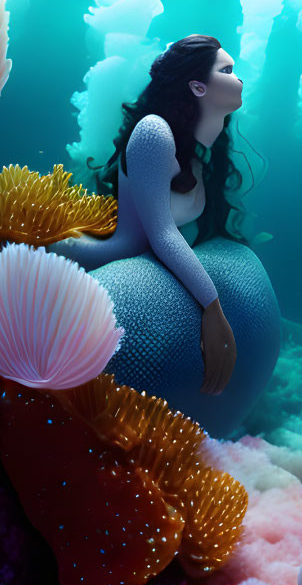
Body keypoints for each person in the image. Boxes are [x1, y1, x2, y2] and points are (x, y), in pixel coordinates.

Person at [51, 35, 245, 395]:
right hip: (90, 265)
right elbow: (162, 235)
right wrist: (213, 311)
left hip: (140, 274)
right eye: (228, 70)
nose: (239, 80)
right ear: (198, 87)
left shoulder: (197, 151)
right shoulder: (154, 133)